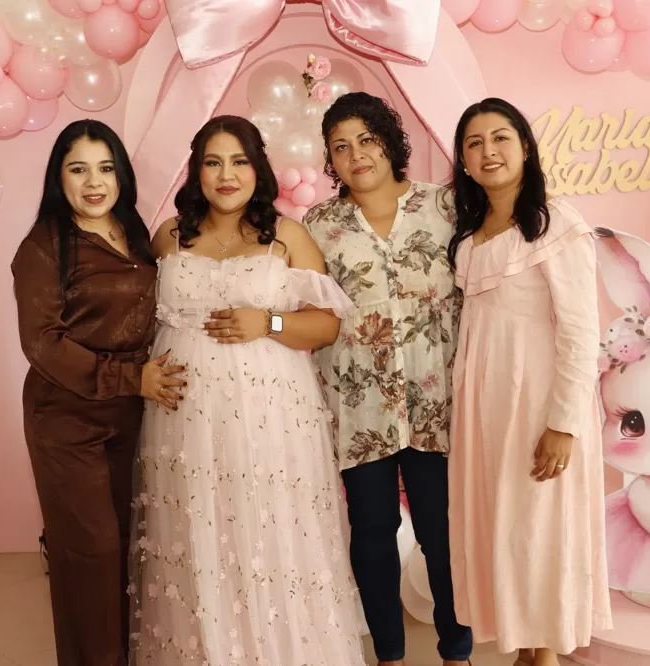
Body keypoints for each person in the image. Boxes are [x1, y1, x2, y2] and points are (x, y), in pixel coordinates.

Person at [127, 115, 366, 665]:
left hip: (271, 415)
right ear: (197, 172)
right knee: (195, 531)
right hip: (182, 417)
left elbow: (326, 325)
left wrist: (270, 322)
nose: (226, 175)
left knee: (267, 529)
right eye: (213, 163)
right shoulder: (168, 236)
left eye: (238, 161)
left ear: (258, 169)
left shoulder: (287, 236)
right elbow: (136, 320)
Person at [302, 92, 473, 666]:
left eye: (367, 140)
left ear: (389, 142)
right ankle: (390, 657)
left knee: (442, 535)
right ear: (330, 159)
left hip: (436, 401)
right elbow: (305, 309)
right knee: (372, 534)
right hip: (359, 407)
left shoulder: (444, 206)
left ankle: (456, 652)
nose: (356, 156)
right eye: (340, 147)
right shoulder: (319, 224)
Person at [12, 119, 186, 666]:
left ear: (121, 175)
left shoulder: (134, 232)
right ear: (58, 178)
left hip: (131, 418)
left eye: (105, 168)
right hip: (67, 419)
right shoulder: (43, 246)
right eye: (78, 169)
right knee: (90, 554)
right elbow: (42, 343)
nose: (94, 182)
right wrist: (132, 379)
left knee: (129, 549)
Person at [446, 98, 612, 666]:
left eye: (500, 138)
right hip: (486, 408)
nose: (488, 152)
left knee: (542, 528)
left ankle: (545, 657)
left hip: (539, 403)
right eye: (474, 143)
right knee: (509, 529)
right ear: (463, 160)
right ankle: (524, 652)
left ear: (524, 147)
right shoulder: (469, 236)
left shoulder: (556, 224)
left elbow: (581, 331)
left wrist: (563, 423)